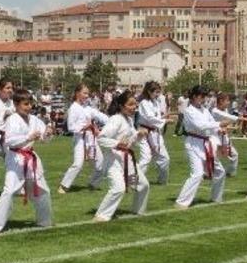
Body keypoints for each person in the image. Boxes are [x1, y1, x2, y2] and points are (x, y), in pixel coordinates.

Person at [0, 89, 53, 234]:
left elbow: (44, 138)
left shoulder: (35, 120)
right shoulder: (12, 119)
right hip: (15, 159)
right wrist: (28, 138)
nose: (29, 107)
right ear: (16, 105)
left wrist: (47, 134)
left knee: (43, 190)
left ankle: (45, 222)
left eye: (30, 104)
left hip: (31, 158)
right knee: (9, 191)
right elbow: (10, 141)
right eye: (25, 104)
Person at [93, 91, 150, 222]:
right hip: (114, 161)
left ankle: (138, 212)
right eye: (130, 105)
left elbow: (130, 141)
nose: (134, 107)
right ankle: (101, 216)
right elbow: (101, 139)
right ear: (121, 106)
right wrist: (117, 143)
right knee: (118, 188)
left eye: (135, 104)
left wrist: (139, 135)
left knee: (142, 185)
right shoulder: (115, 119)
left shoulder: (129, 120)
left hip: (128, 160)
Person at [176, 85, 227, 208]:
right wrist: (219, 123)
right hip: (193, 143)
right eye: (201, 96)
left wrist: (219, 130)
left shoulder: (204, 110)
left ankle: (216, 198)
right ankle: (181, 202)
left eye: (205, 96)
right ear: (194, 97)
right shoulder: (188, 111)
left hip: (206, 143)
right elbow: (201, 126)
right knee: (197, 173)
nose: (204, 99)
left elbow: (210, 124)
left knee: (220, 171)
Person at [58, 84, 108, 193]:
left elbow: (100, 116)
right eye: (85, 93)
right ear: (77, 93)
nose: (87, 95)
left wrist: (113, 122)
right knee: (78, 163)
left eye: (88, 93)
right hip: (80, 139)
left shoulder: (88, 108)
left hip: (91, 139)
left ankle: (92, 184)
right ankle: (64, 185)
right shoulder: (73, 108)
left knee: (101, 164)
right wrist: (85, 126)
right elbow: (70, 127)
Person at [136, 81, 170, 185]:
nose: (157, 94)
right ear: (148, 91)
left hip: (155, 133)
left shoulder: (156, 102)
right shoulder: (143, 103)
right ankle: (136, 181)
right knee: (146, 158)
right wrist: (165, 121)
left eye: (159, 92)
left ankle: (162, 181)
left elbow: (156, 117)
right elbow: (150, 118)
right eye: (156, 92)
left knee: (165, 158)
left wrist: (163, 117)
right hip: (144, 133)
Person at [211, 93, 247, 177]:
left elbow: (227, 121)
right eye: (227, 101)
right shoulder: (215, 111)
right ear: (221, 101)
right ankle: (207, 173)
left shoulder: (226, 110)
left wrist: (231, 127)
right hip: (215, 138)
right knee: (214, 156)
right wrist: (245, 118)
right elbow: (227, 117)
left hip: (224, 137)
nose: (229, 102)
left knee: (234, 154)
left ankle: (229, 173)